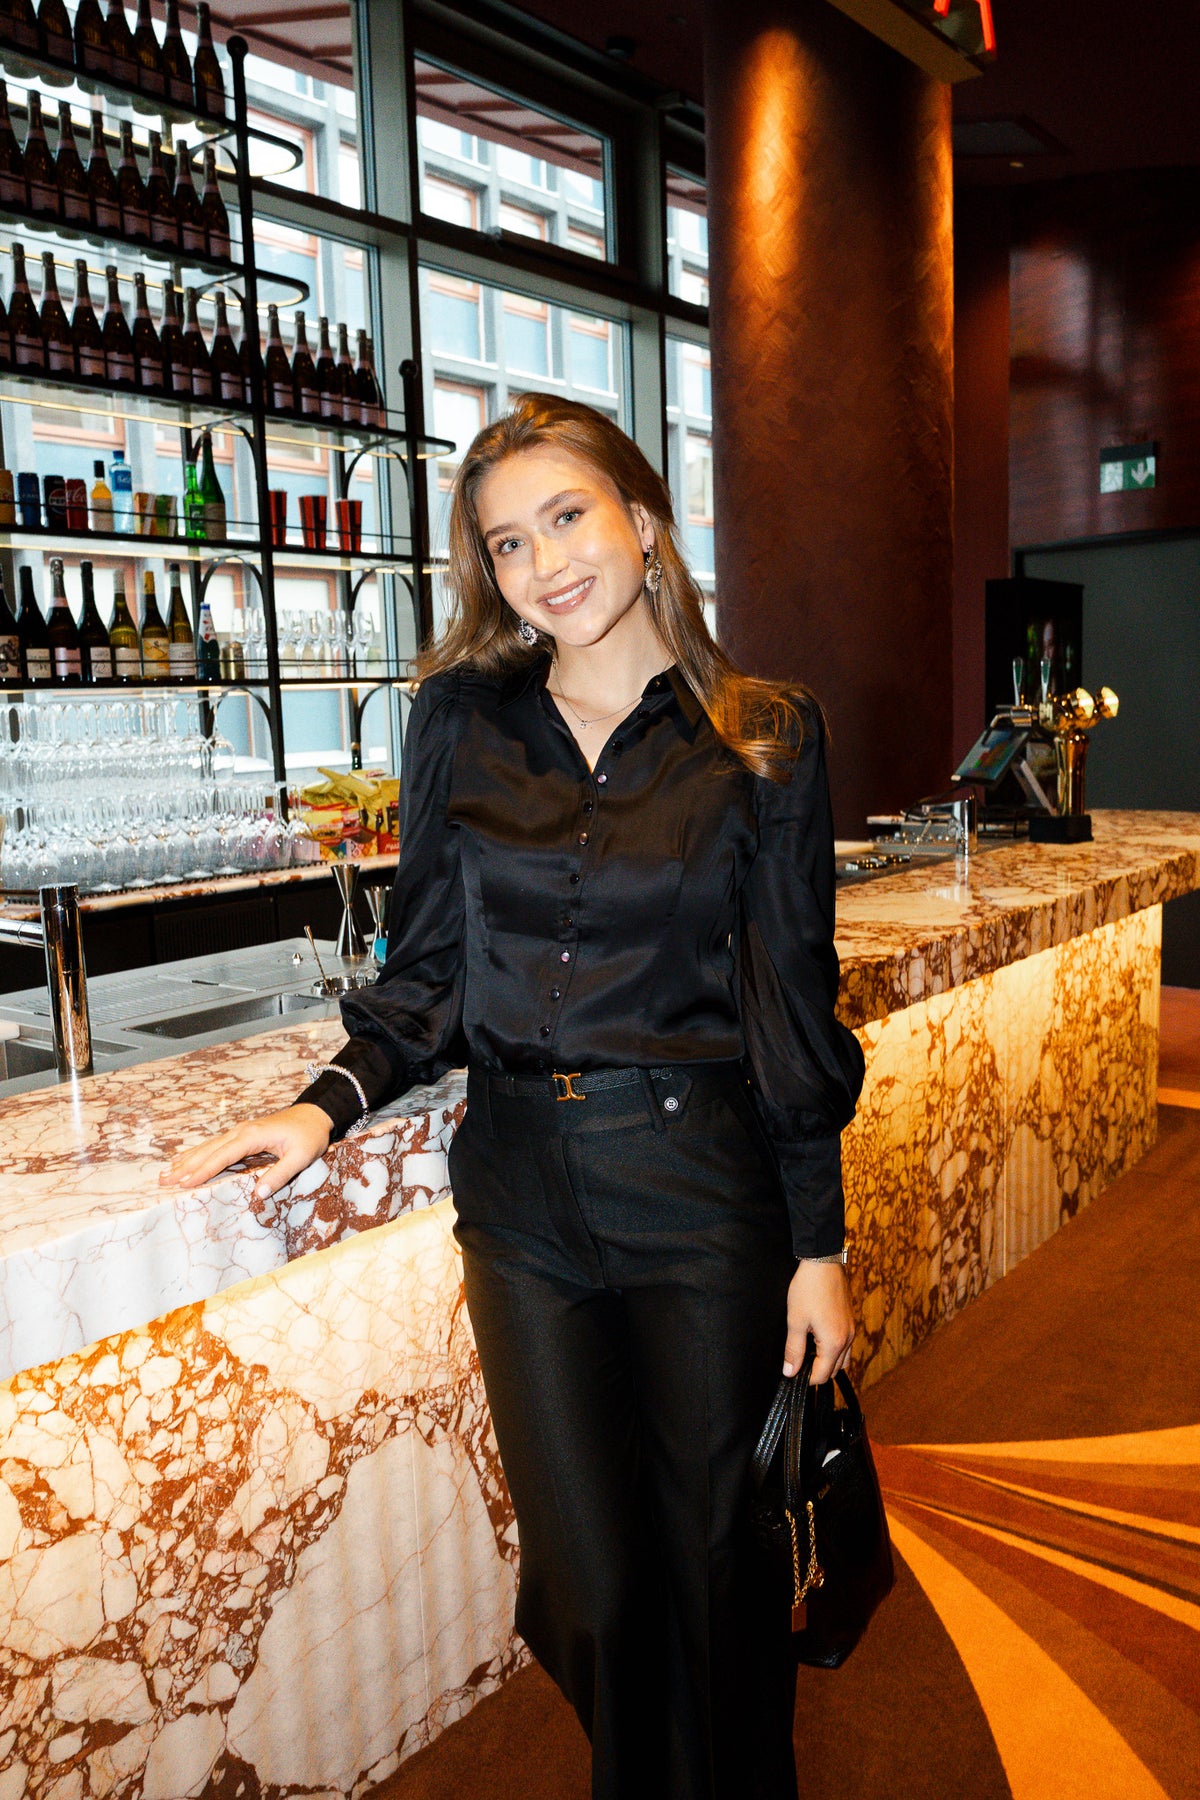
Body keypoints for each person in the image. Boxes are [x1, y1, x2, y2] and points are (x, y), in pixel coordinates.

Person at [166, 394, 866, 1800]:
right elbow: (426, 968)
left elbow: (792, 1011)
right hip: (523, 1197)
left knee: (719, 1569)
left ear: (643, 521)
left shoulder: (765, 735)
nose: (544, 562)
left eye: (567, 516)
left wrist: (818, 1244)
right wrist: (326, 1102)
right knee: (590, 1586)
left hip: (700, 1188)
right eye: (506, 542)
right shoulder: (460, 720)